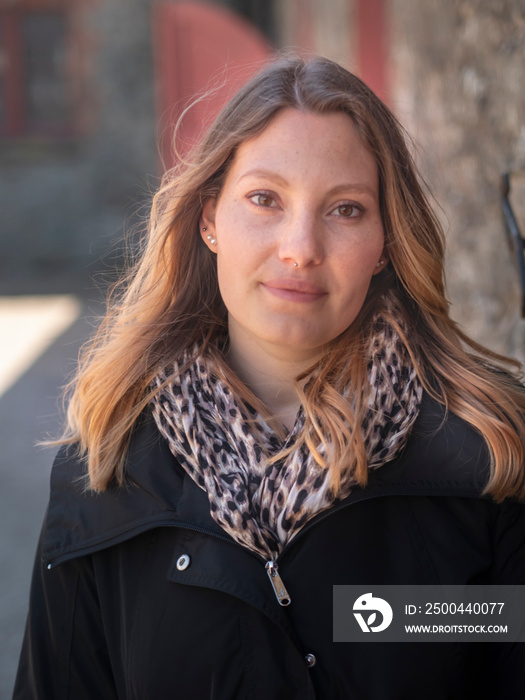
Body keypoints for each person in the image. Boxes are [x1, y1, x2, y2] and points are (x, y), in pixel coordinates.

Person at [13, 54, 525, 700]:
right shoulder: (107, 471)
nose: (299, 246)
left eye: (344, 209)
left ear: (385, 244)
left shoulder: (487, 458)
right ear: (208, 220)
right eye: (264, 199)